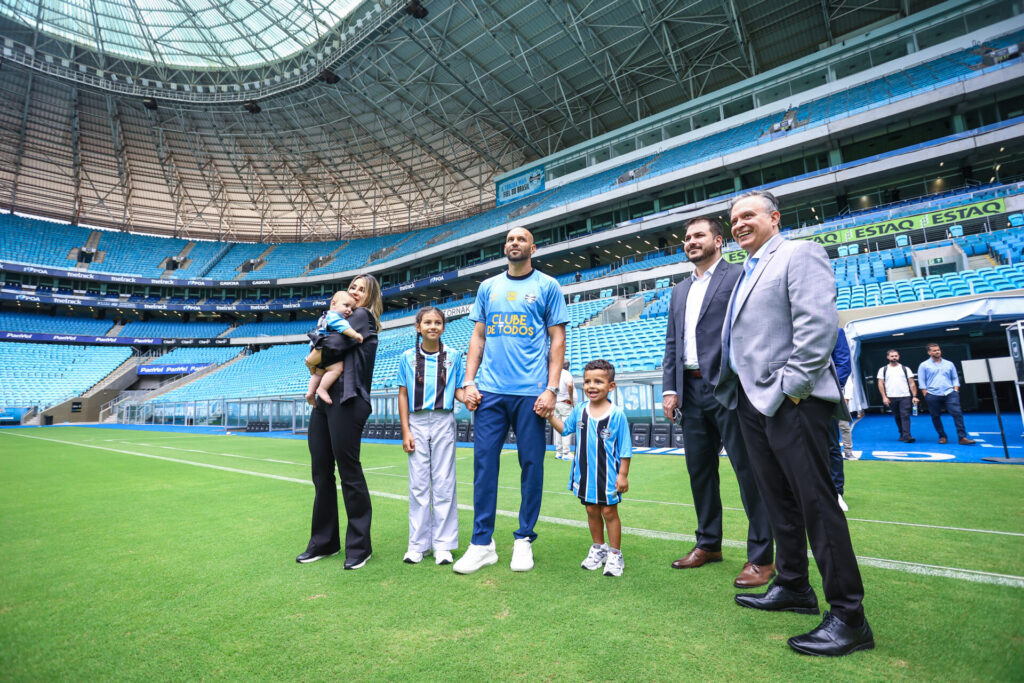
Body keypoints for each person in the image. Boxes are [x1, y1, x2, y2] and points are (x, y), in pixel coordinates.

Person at [715, 190, 873, 657]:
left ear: (775, 218)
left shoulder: (800, 252)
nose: (740, 223)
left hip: (793, 400)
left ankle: (849, 616)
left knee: (817, 503)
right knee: (776, 499)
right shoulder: (747, 268)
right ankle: (793, 586)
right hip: (751, 400)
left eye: (749, 215)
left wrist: (793, 388)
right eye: (734, 219)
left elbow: (818, 325)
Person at [661, 216, 774, 589]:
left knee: (749, 472)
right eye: (687, 238)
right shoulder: (679, 291)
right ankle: (708, 544)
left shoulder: (739, 275)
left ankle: (761, 557)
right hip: (689, 392)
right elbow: (672, 344)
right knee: (700, 472)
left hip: (730, 387)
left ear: (718, 240)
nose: (691, 242)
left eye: (698, 236)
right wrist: (670, 388)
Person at [454, 227, 569, 575]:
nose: (514, 243)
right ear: (505, 247)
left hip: (531, 394)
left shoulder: (548, 286)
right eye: (509, 239)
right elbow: (477, 336)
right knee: (484, 466)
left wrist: (551, 389)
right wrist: (469, 381)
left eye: (521, 239)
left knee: (532, 465)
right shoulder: (488, 287)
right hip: (490, 392)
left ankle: (523, 540)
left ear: (533, 247)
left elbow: (557, 340)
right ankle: (481, 543)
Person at [297, 274, 382, 570]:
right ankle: (325, 542)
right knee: (321, 472)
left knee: (349, 472)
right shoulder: (341, 314)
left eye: (362, 289)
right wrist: (314, 357)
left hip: (348, 400)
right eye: (352, 288)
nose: (356, 292)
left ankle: (360, 546)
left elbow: (328, 346)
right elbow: (323, 348)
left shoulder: (361, 316)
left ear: (371, 297)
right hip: (325, 400)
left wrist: (312, 358)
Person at [547, 359, 631, 577]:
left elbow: (625, 450)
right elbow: (565, 430)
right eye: (587, 382)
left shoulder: (617, 415)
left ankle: (615, 553)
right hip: (584, 475)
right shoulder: (580, 410)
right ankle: (598, 548)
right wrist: (549, 416)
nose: (592, 386)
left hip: (608, 477)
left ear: (611, 386)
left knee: (609, 512)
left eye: (598, 382)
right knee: (591, 510)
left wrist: (623, 476)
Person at [397, 307, 466, 566]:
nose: (433, 326)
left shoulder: (454, 356)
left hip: (443, 420)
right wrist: (405, 430)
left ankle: (443, 545)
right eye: (428, 322)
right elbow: (403, 394)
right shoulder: (407, 357)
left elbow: (458, 389)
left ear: (443, 327)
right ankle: (417, 545)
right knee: (418, 485)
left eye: (438, 322)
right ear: (418, 327)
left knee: (445, 482)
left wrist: (469, 397)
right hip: (416, 421)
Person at [304, 290, 364, 406]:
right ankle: (322, 388)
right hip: (323, 347)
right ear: (333, 304)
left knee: (319, 372)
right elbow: (343, 327)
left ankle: (310, 392)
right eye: (346, 305)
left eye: (351, 308)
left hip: (316, 346)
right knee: (336, 369)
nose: (349, 310)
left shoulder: (324, 316)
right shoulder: (334, 316)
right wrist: (355, 334)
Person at [918, 343, 976, 445]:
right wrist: (925, 394)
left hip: (950, 393)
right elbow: (921, 381)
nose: (937, 352)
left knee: (957, 414)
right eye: (934, 350)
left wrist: (956, 390)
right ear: (929, 352)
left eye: (938, 350)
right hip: (932, 394)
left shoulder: (949, 363)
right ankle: (942, 437)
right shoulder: (924, 365)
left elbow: (954, 377)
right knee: (935, 416)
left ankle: (962, 438)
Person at [828, 328, 852, 512]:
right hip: (794, 398)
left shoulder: (835, 331)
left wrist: (828, 388)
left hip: (824, 397)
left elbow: (843, 364)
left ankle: (836, 493)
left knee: (831, 446)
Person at [877, 349, 919, 443]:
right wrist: (884, 397)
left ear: (899, 356)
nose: (894, 358)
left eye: (896, 356)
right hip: (891, 397)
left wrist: (914, 396)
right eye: (892, 356)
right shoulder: (883, 370)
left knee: (905, 415)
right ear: (888, 357)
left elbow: (912, 383)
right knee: (897, 416)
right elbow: (880, 384)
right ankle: (902, 434)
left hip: (905, 396)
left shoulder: (905, 369)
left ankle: (907, 436)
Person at [553, 361, 576, 461]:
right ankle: (566, 453)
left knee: (557, 426)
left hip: (556, 402)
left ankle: (559, 451)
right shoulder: (566, 373)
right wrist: (571, 399)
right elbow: (570, 385)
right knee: (567, 426)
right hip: (565, 402)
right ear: (568, 366)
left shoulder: (555, 372)